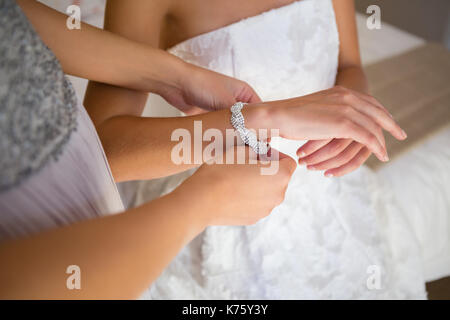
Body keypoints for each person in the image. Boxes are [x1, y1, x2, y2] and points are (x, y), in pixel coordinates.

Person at [0, 0, 403, 299]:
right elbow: (103, 150)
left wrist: (353, 111)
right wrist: (251, 122)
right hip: (221, 233)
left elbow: (350, 64)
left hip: (331, 207)